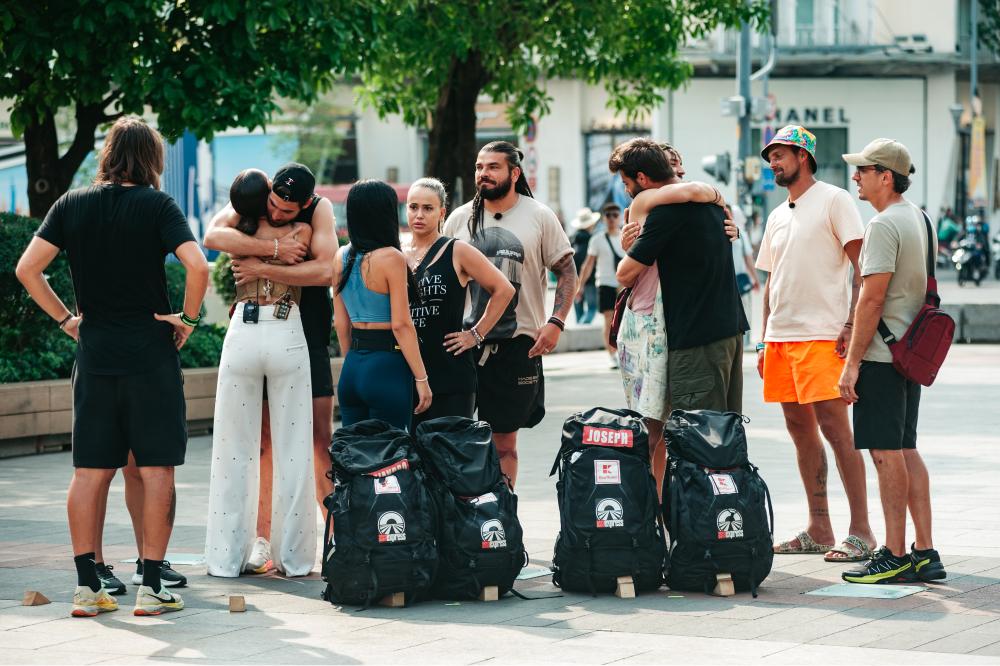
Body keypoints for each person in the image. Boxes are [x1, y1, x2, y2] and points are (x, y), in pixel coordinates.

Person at [15, 116, 208, 617]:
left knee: (90, 471)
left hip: (95, 351)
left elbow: (27, 268)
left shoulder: (72, 203)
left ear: (108, 154)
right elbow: (198, 265)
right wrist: (187, 320)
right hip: (150, 354)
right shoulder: (157, 205)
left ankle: (87, 588)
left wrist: (66, 320)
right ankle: (151, 586)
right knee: (157, 468)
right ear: (152, 159)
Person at [204, 163, 336, 575]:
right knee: (262, 440)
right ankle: (262, 541)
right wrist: (273, 248)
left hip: (305, 330)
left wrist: (262, 266)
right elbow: (213, 235)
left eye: (286, 210)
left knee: (316, 437)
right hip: (257, 329)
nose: (276, 213)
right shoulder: (257, 199)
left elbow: (327, 269)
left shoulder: (318, 212)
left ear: (305, 203)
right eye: (273, 205)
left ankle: (335, 535)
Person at [754, 125, 877, 563]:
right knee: (799, 431)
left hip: (823, 335)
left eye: (780, 155)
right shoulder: (777, 215)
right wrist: (763, 341)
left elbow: (863, 269)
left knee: (837, 432)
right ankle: (819, 527)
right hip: (781, 340)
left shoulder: (834, 199)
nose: (773, 163)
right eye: (770, 156)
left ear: (803, 156)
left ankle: (861, 531)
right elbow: (770, 284)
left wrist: (851, 323)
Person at [838, 138, 947, 584]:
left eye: (863, 170)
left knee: (885, 454)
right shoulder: (920, 218)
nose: (855, 176)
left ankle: (895, 554)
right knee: (905, 448)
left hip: (883, 356)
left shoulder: (883, 225)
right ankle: (925, 551)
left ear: (886, 176)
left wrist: (852, 363)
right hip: (909, 352)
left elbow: (872, 298)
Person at [443, 141, 577, 487]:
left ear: (514, 173)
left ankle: (501, 512)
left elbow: (567, 271)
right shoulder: (459, 219)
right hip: (461, 345)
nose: (483, 174)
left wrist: (556, 322)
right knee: (457, 440)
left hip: (517, 345)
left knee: (505, 443)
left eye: (493, 167)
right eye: (479, 167)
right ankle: (466, 511)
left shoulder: (539, 215)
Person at [616, 142, 735, 496]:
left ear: (642, 177)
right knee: (659, 425)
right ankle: (660, 505)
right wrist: (715, 195)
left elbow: (627, 272)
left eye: (680, 166)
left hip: (666, 328)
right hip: (655, 325)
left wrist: (711, 195)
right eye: (672, 165)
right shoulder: (674, 205)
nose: (680, 174)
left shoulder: (672, 207)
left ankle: (660, 507)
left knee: (665, 427)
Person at [615, 138, 748, 415]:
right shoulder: (715, 207)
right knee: (724, 426)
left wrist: (630, 251)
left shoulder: (665, 213)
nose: (626, 190)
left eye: (626, 183)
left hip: (696, 338)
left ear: (642, 177)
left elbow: (625, 275)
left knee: (696, 430)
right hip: (727, 329)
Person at [403, 178, 515, 430]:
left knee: (451, 450)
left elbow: (504, 289)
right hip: (406, 372)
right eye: (413, 207)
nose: (419, 215)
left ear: (442, 212)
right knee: (410, 450)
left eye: (428, 208)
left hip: (450, 372)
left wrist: (476, 334)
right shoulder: (397, 253)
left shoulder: (457, 250)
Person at [334, 179, 432, 428]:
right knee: (391, 449)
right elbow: (401, 325)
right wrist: (421, 378)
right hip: (387, 368)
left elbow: (340, 324)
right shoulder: (391, 257)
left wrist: (354, 362)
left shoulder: (340, 256)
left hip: (352, 369)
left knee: (354, 450)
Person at [577, 202, 625, 368]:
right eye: (608, 215)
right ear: (604, 218)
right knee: (608, 320)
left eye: (615, 215)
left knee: (624, 321)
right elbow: (588, 264)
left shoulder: (625, 237)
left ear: (620, 217)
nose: (611, 218)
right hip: (604, 284)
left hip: (623, 285)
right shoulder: (597, 239)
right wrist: (580, 286)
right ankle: (612, 354)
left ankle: (623, 353)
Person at [570, 208, 600, 324]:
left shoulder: (572, 241)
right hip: (590, 281)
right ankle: (582, 326)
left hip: (574, 281)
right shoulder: (593, 240)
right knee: (592, 308)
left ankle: (579, 328)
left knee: (578, 311)